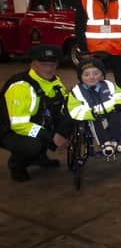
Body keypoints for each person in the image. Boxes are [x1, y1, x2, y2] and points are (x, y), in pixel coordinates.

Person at [0, 45, 71, 182]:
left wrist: (63, 132)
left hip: (35, 123)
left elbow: (61, 110)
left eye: (52, 64)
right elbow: (19, 125)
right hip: (8, 130)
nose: (49, 69)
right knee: (33, 145)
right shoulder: (21, 86)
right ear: (33, 64)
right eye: (44, 65)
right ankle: (17, 164)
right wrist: (51, 138)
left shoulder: (56, 83)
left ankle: (40, 158)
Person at [67, 58, 121, 156]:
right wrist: (89, 113)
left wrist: (120, 103)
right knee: (95, 121)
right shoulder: (76, 91)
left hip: (111, 111)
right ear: (80, 77)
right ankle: (105, 143)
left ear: (102, 75)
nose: (91, 77)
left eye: (96, 74)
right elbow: (74, 110)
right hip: (93, 115)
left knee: (119, 113)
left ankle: (115, 141)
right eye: (86, 75)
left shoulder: (109, 85)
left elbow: (120, 94)